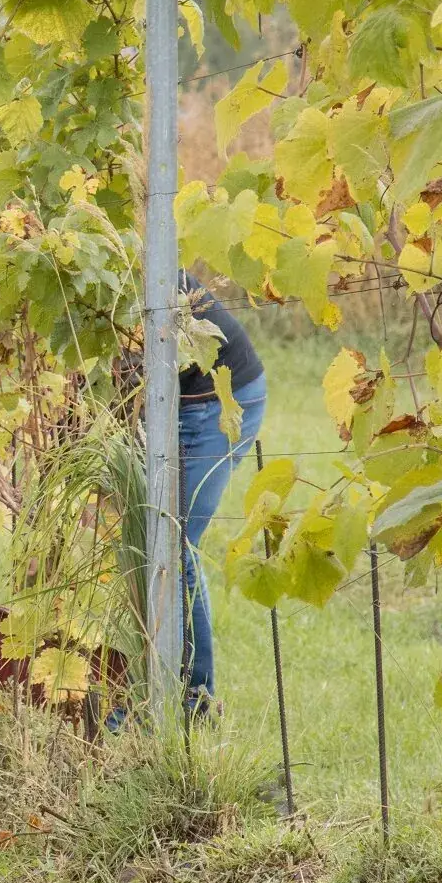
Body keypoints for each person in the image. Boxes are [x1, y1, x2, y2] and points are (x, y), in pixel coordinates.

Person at [176, 274, 266, 718]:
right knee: (149, 543)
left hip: (220, 402)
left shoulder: (125, 266)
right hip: (175, 401)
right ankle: (157, 688)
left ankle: (195, 698)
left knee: (172, 546)